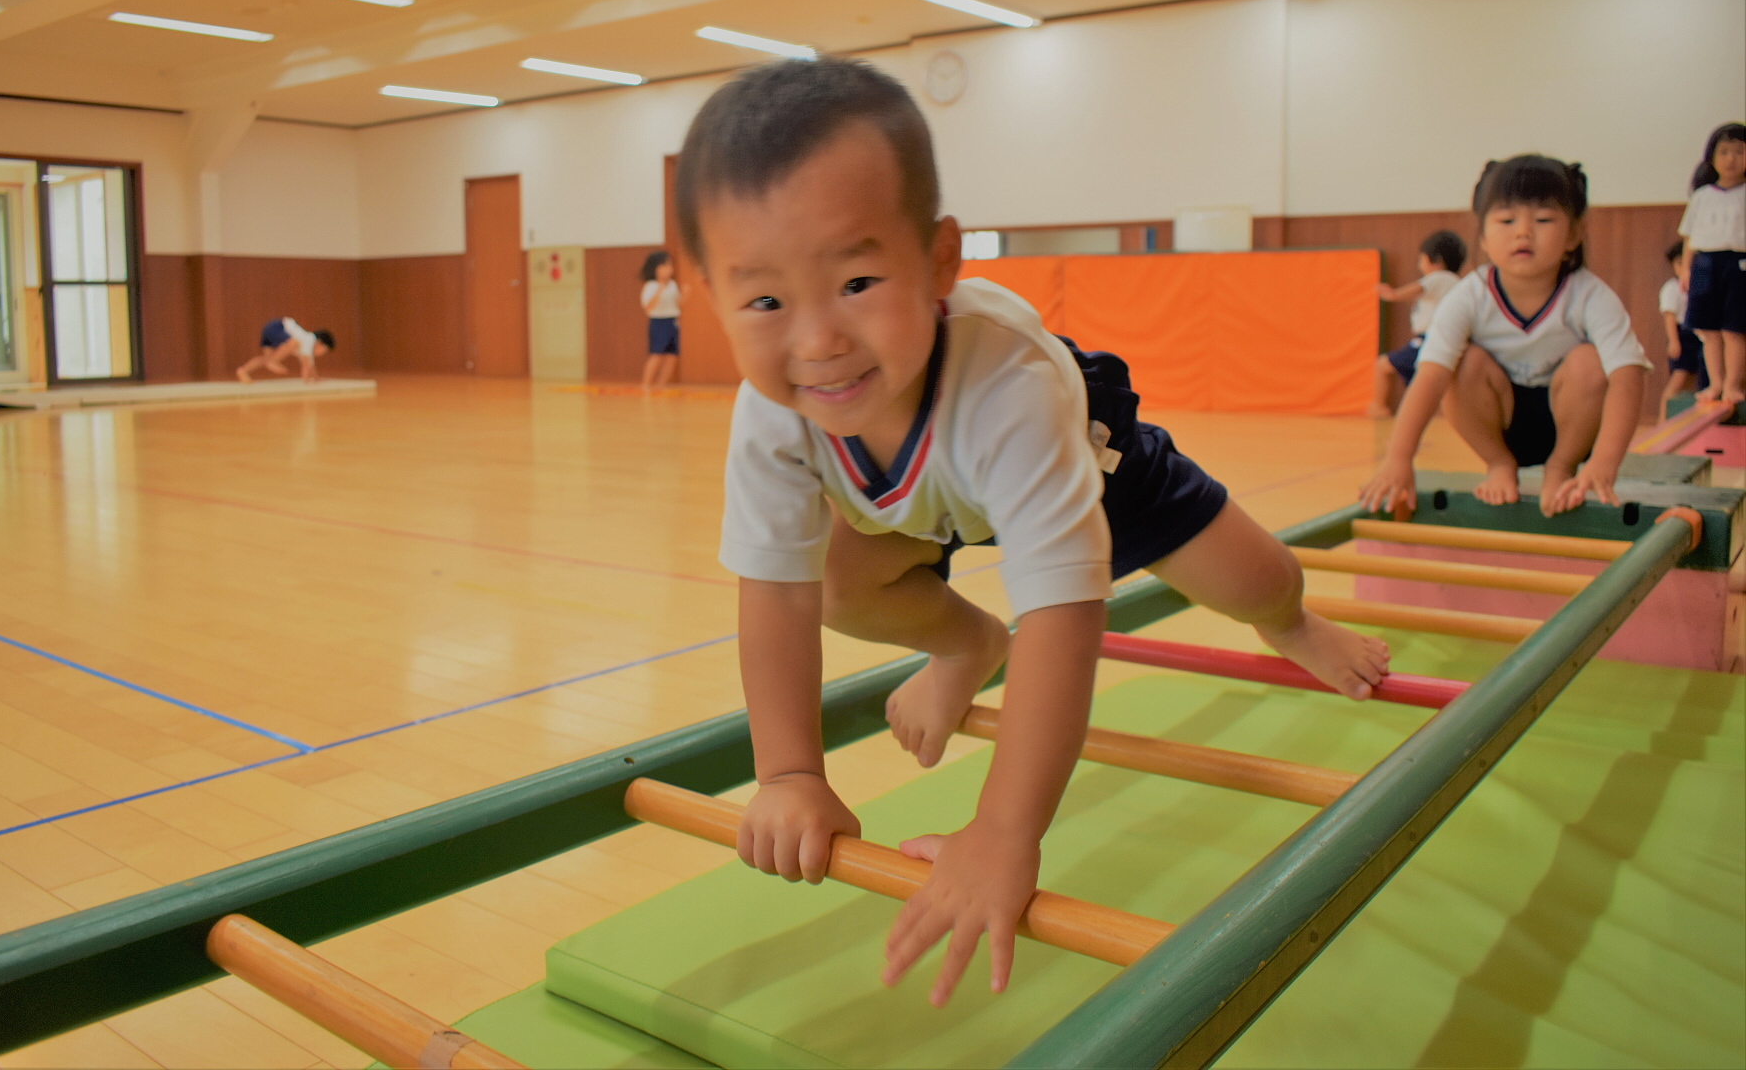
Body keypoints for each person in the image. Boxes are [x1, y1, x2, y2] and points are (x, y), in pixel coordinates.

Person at [679, 58, 1389, 1008]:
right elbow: (774, 591)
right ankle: (965, 640)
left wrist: (1003, 834)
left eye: (855, 280)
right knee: (841, 585)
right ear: (711, 295)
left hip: (1085, 461)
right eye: (765, 300)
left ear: (937, 261)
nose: (816, 340)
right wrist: (790, 773)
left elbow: (1065, 611)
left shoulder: (1007, 387)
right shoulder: (776, 410)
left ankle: (1294, 624)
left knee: (1258, 579)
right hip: (914, 501)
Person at [1360, 156, 1649, 518]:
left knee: (1592, 362)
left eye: (1543, 220)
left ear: (1574, 234)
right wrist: (1399, 458)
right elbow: (1430, 376)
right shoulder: (1468, 296)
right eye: (1507, 220)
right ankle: (1499, 464)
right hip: (1501, 421)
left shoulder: (1590, 295)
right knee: (1458, 363)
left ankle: (1560, 468)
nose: (1523, 231)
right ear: (1482, 235)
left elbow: (1627, 375)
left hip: (1570, 425)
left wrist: (1605, 462)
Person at [1679, 122, 1746, 404]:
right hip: (1705, 264)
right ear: (1712, 157)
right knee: (1708, 330)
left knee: (1734, 329)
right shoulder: (1701, 196)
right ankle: (1715, 384)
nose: (1731, 159)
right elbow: (1690, 237)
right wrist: (1686, 269)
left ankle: (1733, 385)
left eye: (1739, 152)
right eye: (1724, 152)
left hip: (1739, 264)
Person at [1370, 230, 1469, 417]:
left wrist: (1394, 294)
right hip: (1436, 339)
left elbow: (1420, 287)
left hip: (1429, 340)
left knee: (1382, 365)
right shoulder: (1455, 282)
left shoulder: (1440, 277)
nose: (1420, 266)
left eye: (1422, 260)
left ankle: (1378, 407)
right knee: (1424, 384)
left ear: (1437, 261)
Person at [1659, 238, 1706, 417]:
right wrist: (1674, 341)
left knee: (1694, 381)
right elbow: (1669, 317)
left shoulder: (1699, 287)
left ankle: (1685, 421)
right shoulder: (1672, 288)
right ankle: (1662, 421)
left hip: (1699, 336)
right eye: (1678, 263)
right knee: (1678, 379)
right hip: (1682, 335)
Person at [236, 318, 334, 383]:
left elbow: (309, 365)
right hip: (277, 327)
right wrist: (308, 380)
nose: (322, 353)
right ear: (319, 342)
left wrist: (316, 379)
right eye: (324, 350)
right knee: (294, 342)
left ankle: (243, 371)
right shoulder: (309, 339)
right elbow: (306, 364)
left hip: (269, 330)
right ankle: (273, 362)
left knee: (267, 358)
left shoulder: (305, 346)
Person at [639, 250, 681, 391]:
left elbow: (678, 304)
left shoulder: (673, 285)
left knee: (672, 357)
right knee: (657, 354)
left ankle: (661, 386)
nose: (670, 269)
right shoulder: (651, 286)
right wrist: (660, 290)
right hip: (658, 322)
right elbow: (648, 307)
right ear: (657, 268)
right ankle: (646, 385)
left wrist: (685, 296)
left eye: (671, 266)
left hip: (672, 321)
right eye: (666, 265)